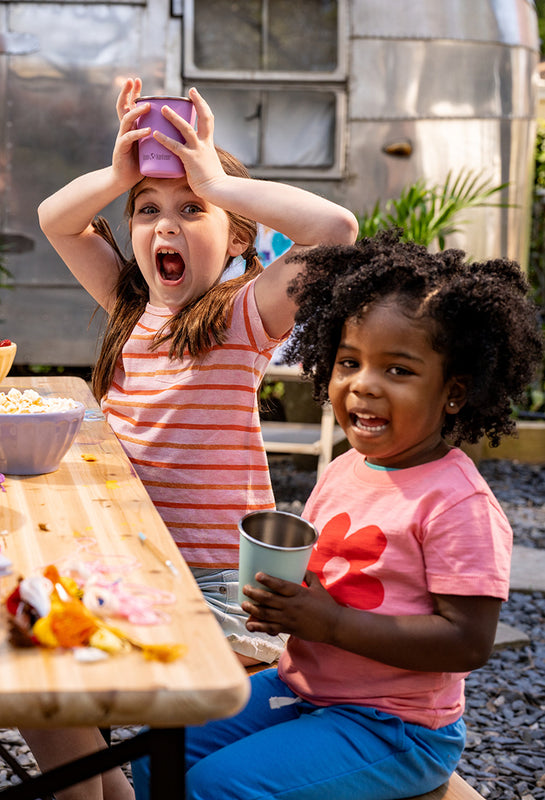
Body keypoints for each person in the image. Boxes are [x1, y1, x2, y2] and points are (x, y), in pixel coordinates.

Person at [24, 78, 358, 800]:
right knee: (34, 674)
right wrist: (119, 172)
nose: (163, 227)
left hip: (211, 587)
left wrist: (212, 173)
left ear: (237, 237)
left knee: (57, 678)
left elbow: (334, 233)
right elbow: (56, 219)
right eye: (146, 211)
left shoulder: (242, 315)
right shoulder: (128, 305)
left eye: (191, 210)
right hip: (123, 563)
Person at [132, 230, 543, 800]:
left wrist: (328, 624)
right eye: (349, 362)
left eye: (398, 370)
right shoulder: (347, 467)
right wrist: (284, 603)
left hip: (394, 725)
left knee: (217, 788)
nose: (364, 385)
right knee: (159, 752)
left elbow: (468, 642)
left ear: (454, 392)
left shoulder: (456, 503)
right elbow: (335, 581)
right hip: (303, 688)